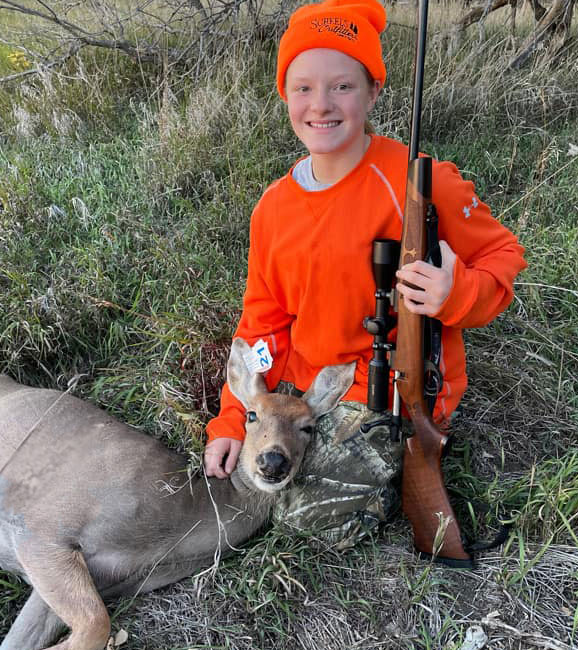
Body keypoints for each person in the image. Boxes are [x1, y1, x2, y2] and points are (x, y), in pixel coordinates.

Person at [204, 0, 527, 546]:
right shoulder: (273, 207)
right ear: (284, 94)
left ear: (374, 91)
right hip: (305, 389)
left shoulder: (420, 183)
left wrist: (456, 293)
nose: (321, 105)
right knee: (250, 471)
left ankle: (402, 481)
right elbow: (262, 319)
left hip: (389, 390)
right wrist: (237, 418)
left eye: (343, 87)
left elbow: (504, 258)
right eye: (303, 87)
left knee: (304, 513)